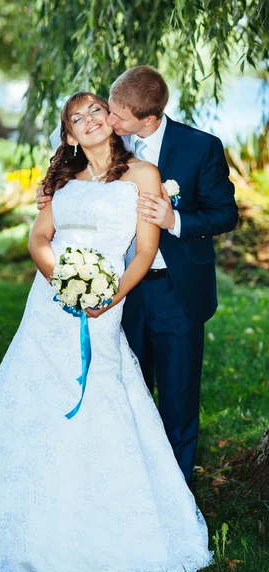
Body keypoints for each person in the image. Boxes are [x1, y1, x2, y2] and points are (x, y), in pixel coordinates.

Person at [0, 92, 213, 572]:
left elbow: (143, 251)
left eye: (95, 110)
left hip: (105, 305)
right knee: (30, 393)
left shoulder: (143, 175)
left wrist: (107, 296)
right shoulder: (60, 180)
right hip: (50, 302)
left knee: (103, 391)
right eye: (76, 119)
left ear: (112, 119)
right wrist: (62, 280)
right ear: (70, 135)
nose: (89, 120)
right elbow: (39, 239)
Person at [37, 66, 238, 485]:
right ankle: (130, 484)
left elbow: (225, 214)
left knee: (178, 400)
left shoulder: (199, 147)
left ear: (147, 119)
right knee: (125, 393)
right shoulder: (104, 142)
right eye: (104, 112)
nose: (107, 120)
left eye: (116, 117)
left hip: (176, 291)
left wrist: (175, 219)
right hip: (119, 295)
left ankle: (176, 494)